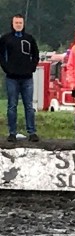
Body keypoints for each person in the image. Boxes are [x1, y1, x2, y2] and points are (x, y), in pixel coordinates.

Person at [0, 13, 39, 143]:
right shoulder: (5, 39)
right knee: (12, 105)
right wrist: (7, 69)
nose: (18, 25)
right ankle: (12, 132)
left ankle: (32, 132)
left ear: (23, 24)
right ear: (12, 23)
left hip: (27, 78)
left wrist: (31, 68)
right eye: (16, 23)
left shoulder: (29, 38)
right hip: (12, 78)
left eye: (20, 23)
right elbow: (1, 55)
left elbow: (35, 55)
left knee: (29, 105)